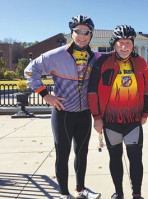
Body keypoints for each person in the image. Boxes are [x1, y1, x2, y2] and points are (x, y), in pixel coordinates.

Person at [24, 15, 101, 199]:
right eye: (78, 31)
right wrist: (45, 94)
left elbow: (119, 59)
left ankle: (80, 189)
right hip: (62, 114)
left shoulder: (96, 57)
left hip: (84, 114)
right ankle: (64, 193)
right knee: (63, 154)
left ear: (91, 34)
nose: (82, 36)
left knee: (82, 153)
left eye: (86, 32)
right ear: (71, 32)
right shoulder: (56, 55)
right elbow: (29, 70)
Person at [87, 25, 148, 199]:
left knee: (136, 160)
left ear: (133, 44)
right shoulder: (102, 62)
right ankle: (119, 192)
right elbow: (92, 91)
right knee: (115, 159)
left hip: (133, 121)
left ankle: (136, 193)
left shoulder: (140, 62)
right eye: (121, 43)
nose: (124, 47)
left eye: (128, 43)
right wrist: (97, 117)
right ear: (114, 44)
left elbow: (147, 89)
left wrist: (145, 113)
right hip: (111, 121)